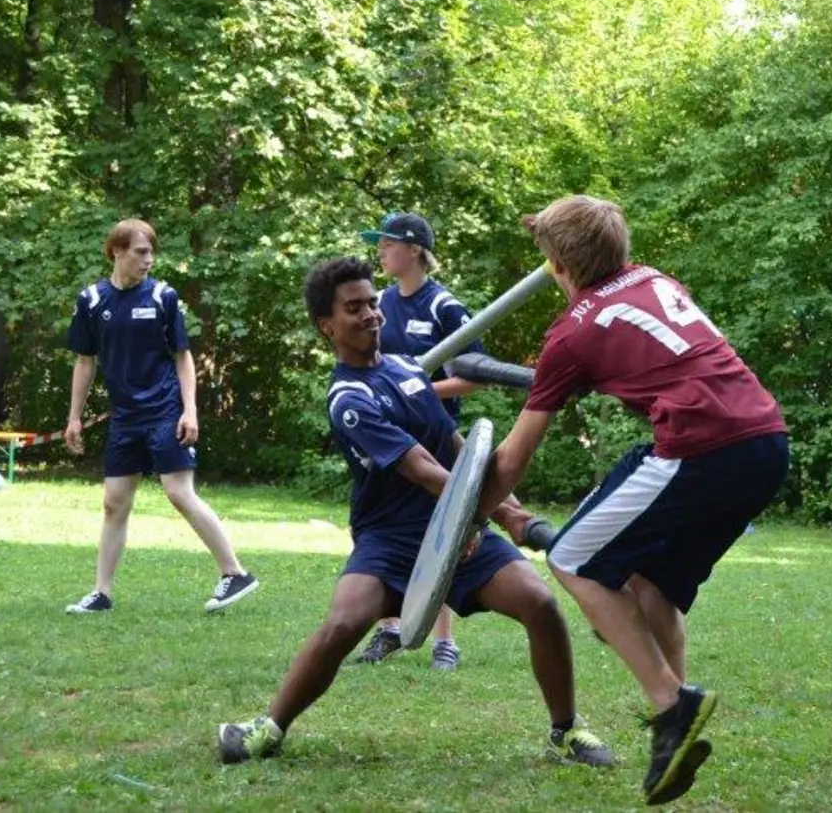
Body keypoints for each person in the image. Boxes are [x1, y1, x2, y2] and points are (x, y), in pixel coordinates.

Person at [214, 257, 615, 769]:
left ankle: (565, 731)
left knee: (540, 604)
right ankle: (268, 729)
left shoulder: (406, 368)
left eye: (372, 302)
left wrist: (507, 510)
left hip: (459, 526)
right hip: (391, 539)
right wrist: (485, 516)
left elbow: (454, 447)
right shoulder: (348, 399)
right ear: (327, 326)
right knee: (344, 623)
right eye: (354, 308)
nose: (370, 314)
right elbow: (423, 469)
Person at [475, 195, 790, 806]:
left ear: (558, 265)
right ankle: (675, 736)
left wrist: (469, 520)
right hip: (766, 444)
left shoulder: (571, 334)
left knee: (571, 557)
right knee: (650, 584)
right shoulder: (654, 280)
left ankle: (673, 705)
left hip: (701, 445)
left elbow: (512, 460)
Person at [62, 218, 260, 614]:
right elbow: (85, 361)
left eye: (151, 252)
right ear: (117, 252)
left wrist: (190, 411)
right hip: (124, 418)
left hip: (164, 411)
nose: (148, 259)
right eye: (141, 252)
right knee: (114, 503)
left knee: (178, 491)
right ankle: (101, 593)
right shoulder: (92, 300)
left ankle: (235, 572)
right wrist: (74, 417)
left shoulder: (162, 297)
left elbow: (183, 357)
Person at [351, 211, 483, 670]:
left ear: (413, 250)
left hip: (434, 437)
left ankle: (445, 641)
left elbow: (473, 377)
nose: (381, 252)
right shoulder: (381, 302)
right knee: (382, 528)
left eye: (387, 244)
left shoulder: (443, 307)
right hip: (387, 438)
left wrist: (417, 392)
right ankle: (390, 630)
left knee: (437, 534)